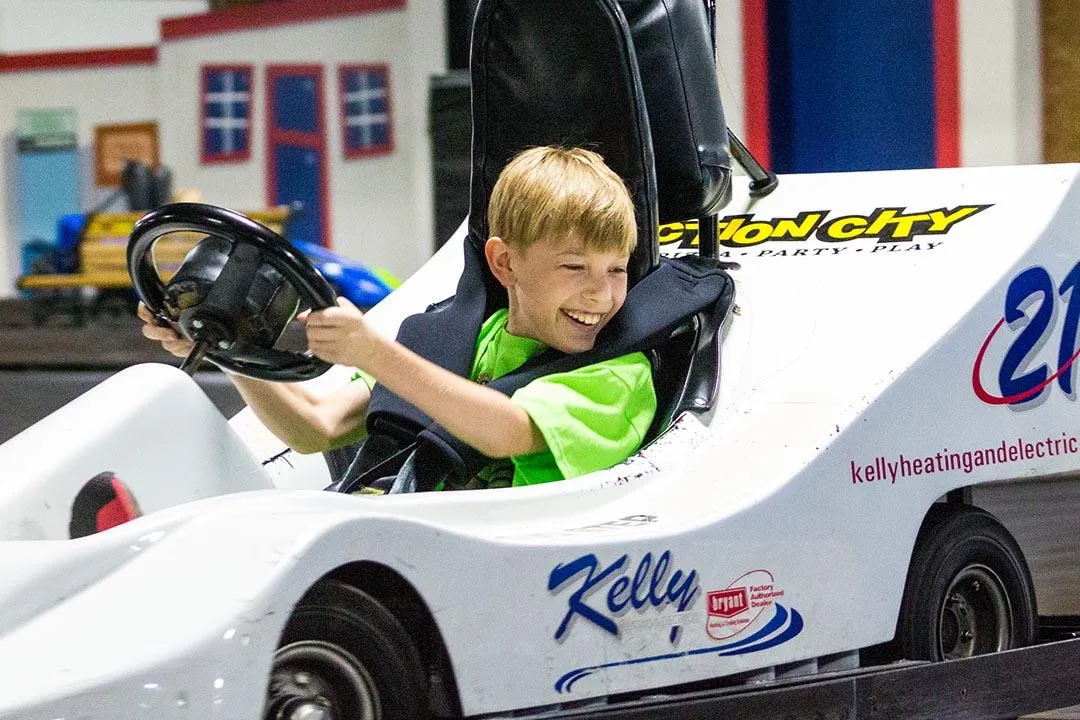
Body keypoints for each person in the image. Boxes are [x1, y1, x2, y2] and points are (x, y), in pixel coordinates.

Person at [139, 145, 656, 490]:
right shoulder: (450, 339)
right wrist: (225, 348)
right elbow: (316, 426)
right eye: (574, 267)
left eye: (616, 270)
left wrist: (372, 352)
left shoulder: (618, 375)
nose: (601, 294)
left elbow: (508, 431)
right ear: (504, 262)